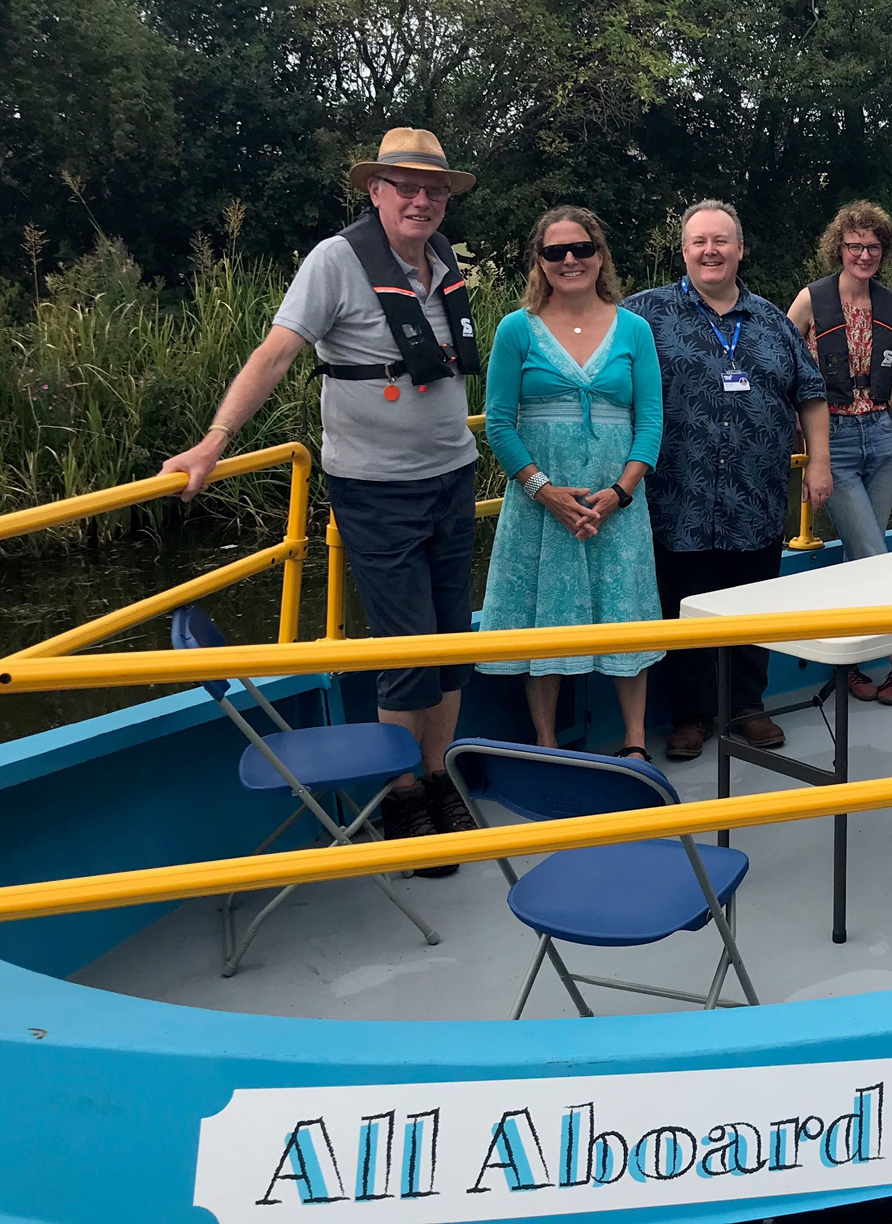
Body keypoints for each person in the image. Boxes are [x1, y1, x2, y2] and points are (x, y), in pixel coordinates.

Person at [160, 128, 484, 868]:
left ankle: (439, 780)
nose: (422, 200)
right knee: (407, 649)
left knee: (451, 644)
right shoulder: (337, 261)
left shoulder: (442, 262)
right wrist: (215, 440)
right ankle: (402, 797)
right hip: (375, 488)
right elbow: (275, 353)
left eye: (434, 189)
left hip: (452, 475)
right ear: (375, 192)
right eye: (406, 186)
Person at [624, 201, 832, 760]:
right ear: (685, 250)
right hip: (676, 497)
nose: (710, 251)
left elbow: (811, 395)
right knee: (684, 610)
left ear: (740, 250)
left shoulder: (772, 323)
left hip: (756, 495)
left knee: (753, 605)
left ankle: (747, 707)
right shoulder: (644, 315)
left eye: (721, 241)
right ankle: (691, 716)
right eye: (699, 242)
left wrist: (818, 462)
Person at [477, 207, 663, 757]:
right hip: (542, 503)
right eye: (555, 252)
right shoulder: (517, 329)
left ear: (599, 254)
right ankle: (547, 741)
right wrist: (544, 490)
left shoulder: (634, 329)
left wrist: (621, 492)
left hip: (617, 502)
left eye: (580, 249)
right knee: (545, 617)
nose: (570, 260)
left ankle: (633, 742)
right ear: (539, 261)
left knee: (626, 613)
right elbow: (498, 422)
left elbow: (650, 421)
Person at [785, 201, 892, 706]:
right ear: (838, 248)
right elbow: (783, 364)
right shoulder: (809, 301)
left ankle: (852, 663)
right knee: (872, 552)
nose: (863, 255)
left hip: (883, 438)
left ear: (883, 251)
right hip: (835, 440)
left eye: (872, 247)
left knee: (864, 554)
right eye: (854, 246)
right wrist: (804, 442)